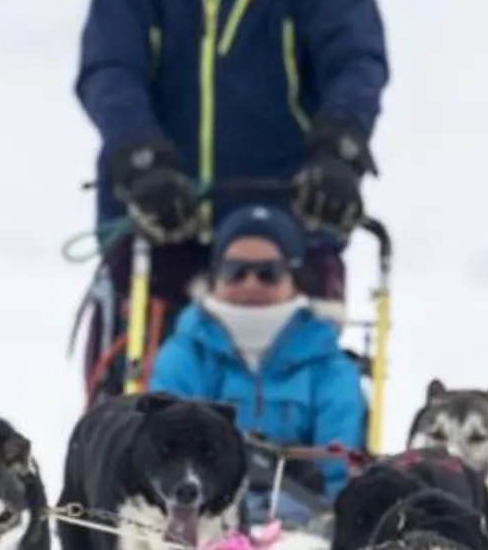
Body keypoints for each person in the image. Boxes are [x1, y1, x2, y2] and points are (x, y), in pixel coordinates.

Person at [76, 0, 390, 395]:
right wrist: (140, 160)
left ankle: (315, 485)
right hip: (161, 215)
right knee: (135, 399)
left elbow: (354, 54)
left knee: (302, 396)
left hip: (290, 209)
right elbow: (110, 67)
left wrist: (340, 148)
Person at [147, 205, 366, 529]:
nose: (251, 283)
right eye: (236, 271)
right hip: (199, 517)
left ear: (294, 278)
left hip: (306, 526)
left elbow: (339, 473)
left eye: (268, 273)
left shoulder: (330, 368)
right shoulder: (184, 355)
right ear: (216, 275)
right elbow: (164, 451)